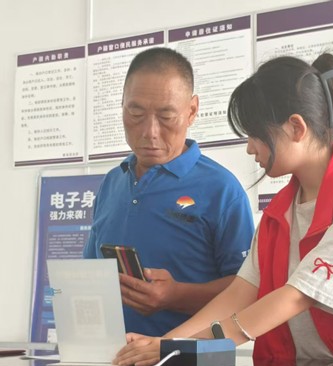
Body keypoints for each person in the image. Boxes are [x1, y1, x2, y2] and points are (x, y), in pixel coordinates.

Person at [113, 52, 333, 366]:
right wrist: (166, 343)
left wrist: (179, 347)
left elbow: (296, 296)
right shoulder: (280, 211)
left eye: (256, 136)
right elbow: (242, 291)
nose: (250, 148)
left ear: (296, 128)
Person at [83, 47, 254, 337]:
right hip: (112, 356)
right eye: (136, 113)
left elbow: (248, 290)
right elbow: (90, 274)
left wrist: (176, 296)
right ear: (122, 105)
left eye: (166, 116)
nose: (150, 131)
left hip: (191, 360)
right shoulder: (112, 183)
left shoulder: (222, 190)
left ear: (192, 111)